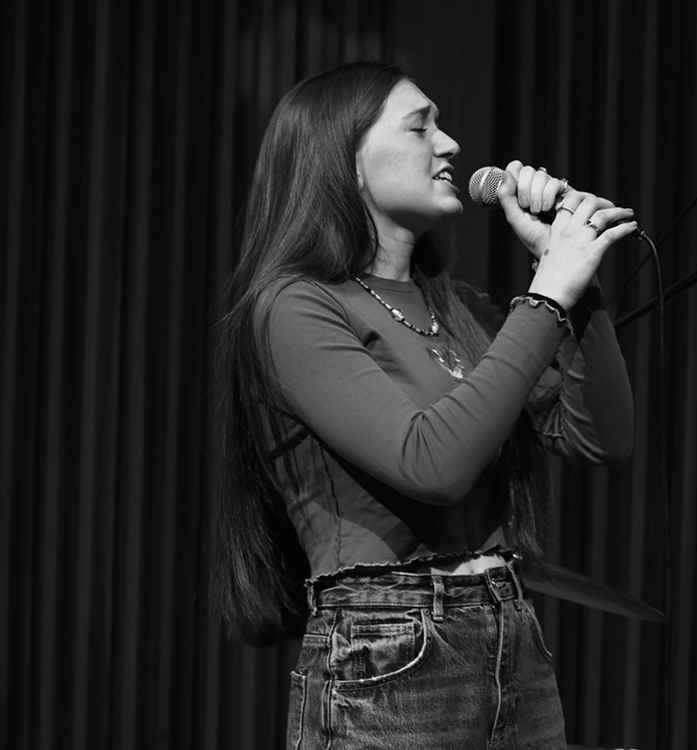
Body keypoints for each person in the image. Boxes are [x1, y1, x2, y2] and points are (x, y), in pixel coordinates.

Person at [212, 61, 635, 750]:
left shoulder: (461, 309)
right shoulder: (293, 307)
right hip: (389, 653)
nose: (450, 146)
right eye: (421, 127)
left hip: (511, 639)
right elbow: (432, 463)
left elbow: (601, 439)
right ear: (342, 160)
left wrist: (576, 289)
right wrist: (547, 296)